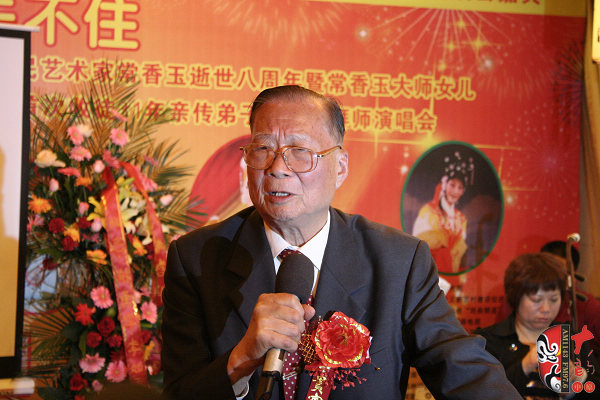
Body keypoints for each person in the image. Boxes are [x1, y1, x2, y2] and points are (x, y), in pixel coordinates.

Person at [161, 85, 521, 399]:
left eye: (299, 151)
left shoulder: (398, 262)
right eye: (262, 149)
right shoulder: (195, 259)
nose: (277, 167)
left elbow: (460, 366)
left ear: (341, 168)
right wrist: (241, 359)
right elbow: (180, 392)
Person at [475, 253, 596, 399]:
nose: (546, 309)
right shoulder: (487, 341)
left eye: (554, 299)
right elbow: (481, 393)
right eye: (536, 300)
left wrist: (580, 379)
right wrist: (527, 364)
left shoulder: (572, 339)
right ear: (516, 297)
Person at [412, 152, 474, 275]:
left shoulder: (461, 219)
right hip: (427, 274)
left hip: (452, 275)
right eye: (452, 185)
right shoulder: (428, 211)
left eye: (460, 187)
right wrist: (441, 239)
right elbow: (416, 244)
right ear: (444, 184)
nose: (455, 191)